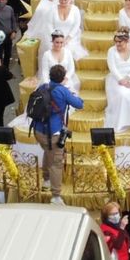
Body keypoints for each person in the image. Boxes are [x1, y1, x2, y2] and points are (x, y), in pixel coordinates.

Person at [30, 64, 84, 205]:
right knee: (56, 163)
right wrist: (72, 92)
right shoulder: (62, 91)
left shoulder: (43, 87)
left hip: (37, 130)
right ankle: (55, 196)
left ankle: (46, 179)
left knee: (47, 152)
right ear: (63, 78)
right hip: (53, 132)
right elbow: (79, 104)